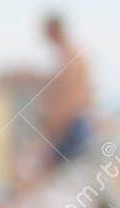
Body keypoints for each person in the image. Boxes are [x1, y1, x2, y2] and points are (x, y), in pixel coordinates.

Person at [38, 13, 95, 163]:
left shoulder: (70, 59)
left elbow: (70, 99)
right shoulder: (72, 56)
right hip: (74, 123)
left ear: (53, 32)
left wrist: (53, 129)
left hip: (71, 126)